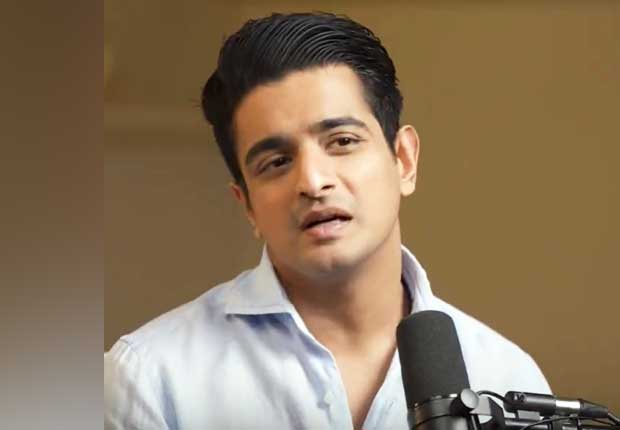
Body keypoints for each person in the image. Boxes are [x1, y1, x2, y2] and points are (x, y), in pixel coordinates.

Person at [104, 12, 551, 430]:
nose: (313, 182)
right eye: (276, 162)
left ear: (403, 160)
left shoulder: (507, 378)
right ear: (247, 206)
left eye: (342, 141)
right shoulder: (150, 377)